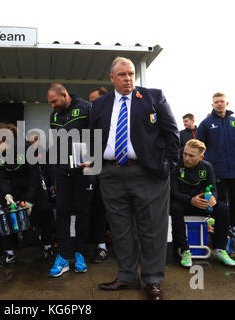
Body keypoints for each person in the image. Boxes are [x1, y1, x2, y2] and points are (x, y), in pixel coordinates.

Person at [87, 57, 179, 300]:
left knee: (152, 229)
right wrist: (93, 163)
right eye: (122, 75)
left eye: (130, 74)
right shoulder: (99, 105)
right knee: (120, 229)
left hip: (149, 174)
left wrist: (168, 165)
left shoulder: (153, 97)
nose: (128, 78)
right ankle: (127, 276)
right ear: (112, 78)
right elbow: (93, 138)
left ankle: (152, 280)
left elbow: (172, 134)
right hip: (111, 174)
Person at [0, 123, 56, 268]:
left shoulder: (26, 148)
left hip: (33, 183)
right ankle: (9, 253)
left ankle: (48, 247)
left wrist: (30, 201)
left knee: (44, 210)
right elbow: (1, 176)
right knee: (4, 214)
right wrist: (7, 193)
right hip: (13, 185)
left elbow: (34, 176)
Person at [47, 83, 94, 277]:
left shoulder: (85, 108)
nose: (52, 106)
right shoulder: (54, 116)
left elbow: (98, 134)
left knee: (83, 213)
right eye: (50, 103)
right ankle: (63, 256)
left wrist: (93, 158)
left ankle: (80, 254)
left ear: (64, 95)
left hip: (85, 170)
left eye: (54, 101)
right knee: (63, 213)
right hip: (63, 171)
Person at [170, 139, 235, 268]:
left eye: (191, 155)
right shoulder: (176, 166)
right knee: (174, 208)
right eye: (185, 153)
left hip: (202, 204)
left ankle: (219, 250)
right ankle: (185, 250)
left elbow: (213, 189)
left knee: (223, 208)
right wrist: (190, 200)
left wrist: (213, 198)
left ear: (201, 157)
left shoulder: (207, 167)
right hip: (184, 203)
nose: (186, 158)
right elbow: (174, 192)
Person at [197, 93, 235, 235]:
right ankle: (222, 228)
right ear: (212, 105)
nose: (219, 104)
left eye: (221, 101)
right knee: (221, 201)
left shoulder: (234, 122)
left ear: (227, 103)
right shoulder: (205, 124)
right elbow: (200, 145)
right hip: (216, 169)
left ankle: (233, 226)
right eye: (216, 102)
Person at [88, 86, 110, 263]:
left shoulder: (117, 117)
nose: (91, 105)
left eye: (94, 101)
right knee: (98, 208)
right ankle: (101, 247)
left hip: (116, 172)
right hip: (95, 172)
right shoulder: (90, 120)